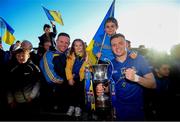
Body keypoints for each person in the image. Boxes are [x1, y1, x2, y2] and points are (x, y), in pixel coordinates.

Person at [96, 33, 156, 121]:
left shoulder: (138, 59)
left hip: (137, 108)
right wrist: (102, 89)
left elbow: (153, 84)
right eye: (114, 45)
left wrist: (136, 78)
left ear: (125, 44)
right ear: (111, 48)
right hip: (118, 108)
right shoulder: (110, 65)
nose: (117, 47)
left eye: (120, 43)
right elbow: (110, 87)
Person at [39, 32, 70, 113]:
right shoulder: (49, 54)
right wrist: (66, 81)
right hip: (51, 97)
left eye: (66, 42)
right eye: (61, 41)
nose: (64, 44)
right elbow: (51, 78)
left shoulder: (67, 55)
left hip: (64, 96)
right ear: (56, 41)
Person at [7, 49, 41, 120]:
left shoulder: (33, 67)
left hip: (32, 100)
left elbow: (38, 83)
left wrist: (31, 97)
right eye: (18, 56)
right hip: (17, 102)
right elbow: (8, 86)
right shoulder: (12, 69)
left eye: (23, 55)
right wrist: (10, 100)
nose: (20, 57)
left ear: (28, 56)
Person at [65, 39, 92, 117]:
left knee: (80, 93)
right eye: (76, 45)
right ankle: (72, 106)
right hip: (73, 77)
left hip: (82, 77)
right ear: (73, 47)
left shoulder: (87, 55)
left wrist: (87, 62)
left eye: (80, 45)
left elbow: (90, 67)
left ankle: (78, 107)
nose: (78, 47)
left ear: (83, 46)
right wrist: (70, 78)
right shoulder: (70, 56)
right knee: (72, 92)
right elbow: (67, 68)